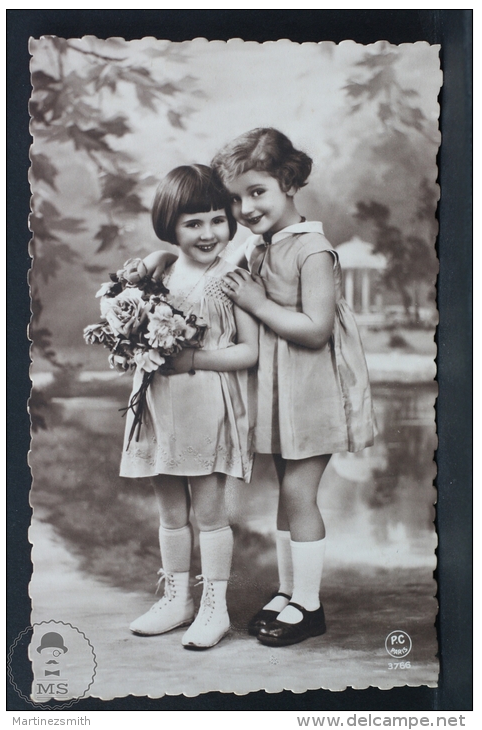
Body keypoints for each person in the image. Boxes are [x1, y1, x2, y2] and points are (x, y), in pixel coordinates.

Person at [211, 128, 376, 647]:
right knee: (288, 493)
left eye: (257, 191)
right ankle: (289, 592)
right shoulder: (261, 248)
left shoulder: (312, 249)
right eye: (235, 199)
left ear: (287, 182)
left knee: (299, 493)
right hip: (284, 396)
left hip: (315, 393)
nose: (245, 207)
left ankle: (310, 605)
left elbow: (317, 328)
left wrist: (258, 304)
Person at [120, 165, 258, 650]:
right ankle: (177, 599)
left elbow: (249, 351)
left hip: (205, 401)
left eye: (217, 220)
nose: (208, 233)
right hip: (158, 400)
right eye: (192, 223)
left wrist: (194, 357)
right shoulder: (159, 271)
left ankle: (213, 608)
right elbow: (133, 318)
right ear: (170, 226)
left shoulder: (231, 279)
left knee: (209, 509)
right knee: (170, 509)